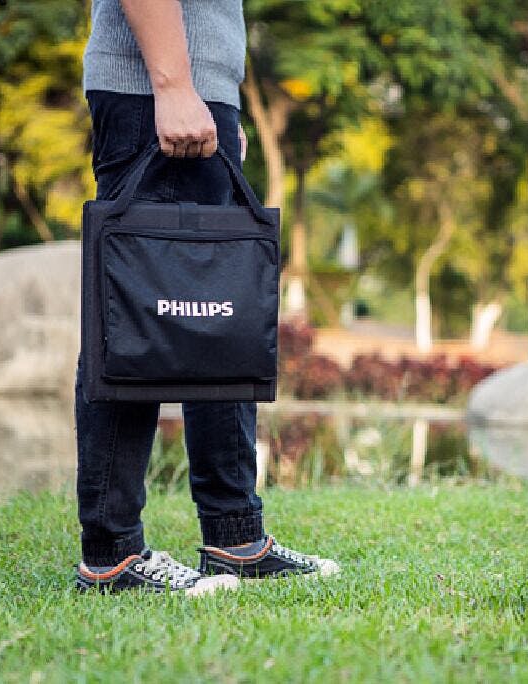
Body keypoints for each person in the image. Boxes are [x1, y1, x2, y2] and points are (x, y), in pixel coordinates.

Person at [75, 0, 338, 594]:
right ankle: (111, 554)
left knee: (220, 321)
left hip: (194, 92)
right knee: (132, 324)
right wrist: (173, 88)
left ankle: (235, 538)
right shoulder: (163, 88)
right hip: (149, 90)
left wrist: (212, 97)